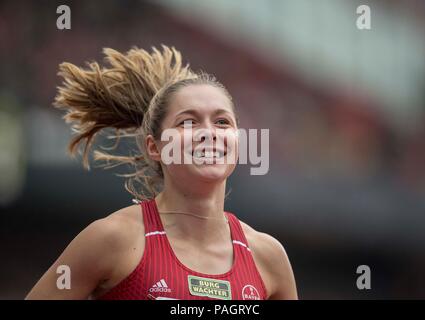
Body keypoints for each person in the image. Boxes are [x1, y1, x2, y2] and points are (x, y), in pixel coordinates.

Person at [26, 46, 297, 300]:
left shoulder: (268, 257)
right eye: (188, 122)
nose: (208, 132)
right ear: (154, 147)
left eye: (222, 122)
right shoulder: (112, 239)